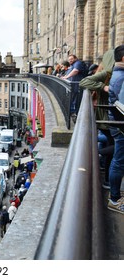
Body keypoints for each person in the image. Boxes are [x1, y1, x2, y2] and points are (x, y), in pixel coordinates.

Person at [80, 49, 115, 187]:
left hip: (108, 118)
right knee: (114, 149)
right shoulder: (106, 73)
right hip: (106, 118)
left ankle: (97, 157)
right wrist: (103, 87)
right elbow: (84, 82)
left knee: (112, 148)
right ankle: (96, 155)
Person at [107, 44, 124, 214]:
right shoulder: (121, 77)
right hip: (120, 126)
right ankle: (114, 199)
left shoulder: (117, 74)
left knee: (118, 161)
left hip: (117, 124)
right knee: (118, 162)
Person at [61, 54, 87, 120]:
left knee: (76, 102)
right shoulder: (73, 64)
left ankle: (76, 116)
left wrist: (66, 77)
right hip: (74, 86)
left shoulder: (78, 63)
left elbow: (75, 71)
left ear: (75, 58)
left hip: (78, 86)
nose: (70, 61)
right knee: (73, 101)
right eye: (69, 60)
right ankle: (74, 114)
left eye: (71, 59)